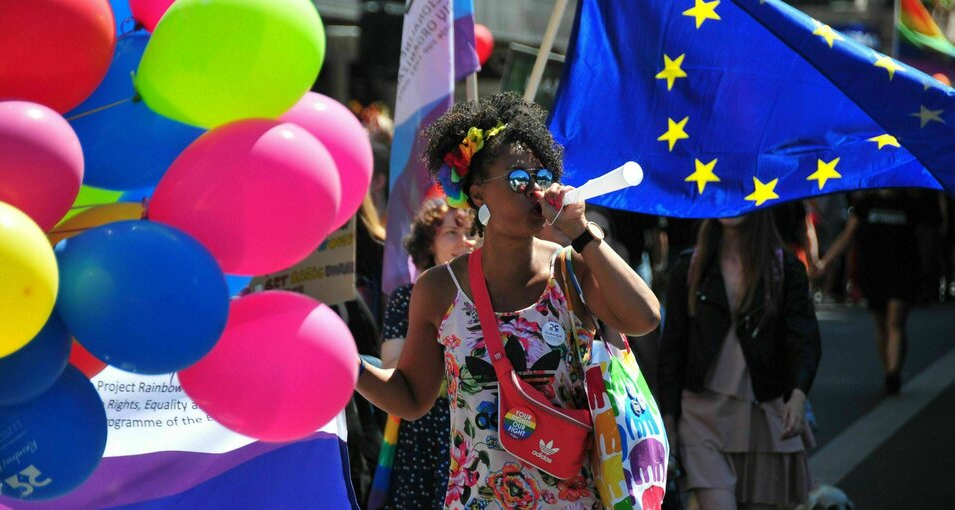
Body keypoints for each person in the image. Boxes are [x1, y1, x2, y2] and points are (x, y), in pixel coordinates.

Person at [356, 92, 661, 509]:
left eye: (542, 178)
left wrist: (585, 234)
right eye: (518, 181)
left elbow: (645, 317)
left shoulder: (572, 269)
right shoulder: (438, 289)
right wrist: (348, 368)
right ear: (478, 194)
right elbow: (411, 396)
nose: (535, 192)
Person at [659, 210, 821, 510]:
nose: (731, 202)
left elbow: (804, 339)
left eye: (740, 189)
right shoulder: (690, 267)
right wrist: (668, 423)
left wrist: (798, 395)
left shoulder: (785, 268)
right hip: (701, 417)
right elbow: (672, 350)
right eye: (723, 190)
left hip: (766, 416)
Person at [379, 198, 476, 509]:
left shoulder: (496, 299)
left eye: (472, 232)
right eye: (452, 233)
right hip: (422, 437)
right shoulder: (406, 298)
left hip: (476, 433)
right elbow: (395, 370)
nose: (465, 242)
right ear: (428, 244)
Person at [811, 189, 925, 393]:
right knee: (881, 323)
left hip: (903, 270)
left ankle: (894, 374)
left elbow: (925, 237)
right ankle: (889, 370)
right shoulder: (866, 205)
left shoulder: (909, 202)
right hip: (874, 271)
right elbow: (847, 235)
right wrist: (825, 263)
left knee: (895, 320)